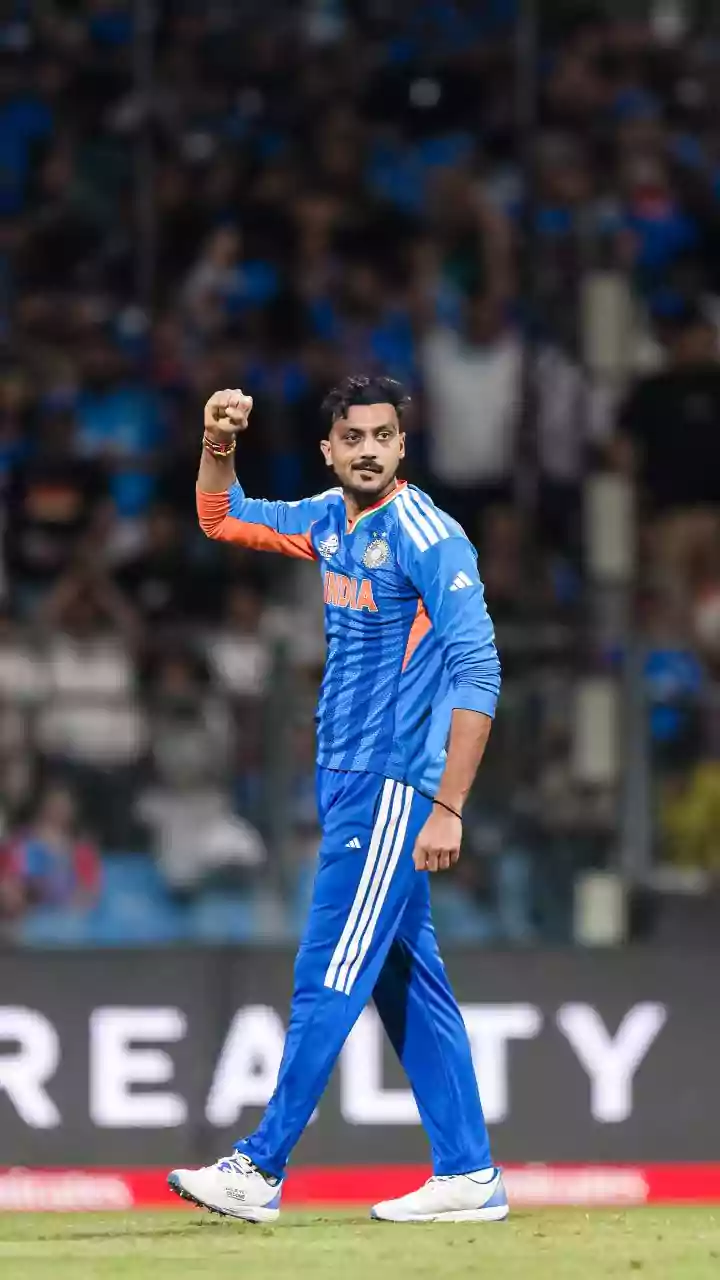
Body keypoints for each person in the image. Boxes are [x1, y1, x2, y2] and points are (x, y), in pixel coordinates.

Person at [168, 375, 506, 1225]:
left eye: (382, 436)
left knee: (327, 973)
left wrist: (448, 805)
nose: (366, 449)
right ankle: (469, 1174)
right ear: (329, 449)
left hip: (391, 785)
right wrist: (218, 444)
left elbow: (480, 672)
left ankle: (260, 1165)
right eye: (351, 437)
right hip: (345, 782)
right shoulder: (326, 518)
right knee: (405, 981)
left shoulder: (431, 537)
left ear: (403, 445)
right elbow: (219, 516)